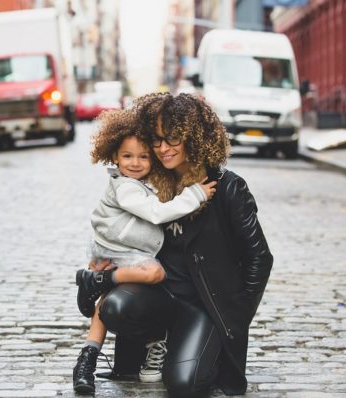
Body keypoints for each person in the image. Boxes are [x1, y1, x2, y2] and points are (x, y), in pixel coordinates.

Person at [95, 93, 274, 397]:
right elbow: (113, 222)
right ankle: (161, 340)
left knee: (184, 384)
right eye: (157, 139)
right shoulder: (150, 183)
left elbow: (260, 258)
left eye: (173, 139)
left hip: (204, 305)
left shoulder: (228, 187)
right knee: (115, 307)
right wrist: (103, 259)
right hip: (161, 296)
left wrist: (234, 318)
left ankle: (203, 347)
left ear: (194, 137)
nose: (163, 148)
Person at [72, 108, 217, 394]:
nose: (136, 163)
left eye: (143, 156)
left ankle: (86, 358)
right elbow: (155, 213)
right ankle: (101, 281)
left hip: (118, 247)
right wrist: (196, 195)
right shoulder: (125, 187)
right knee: (154, 272)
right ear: (114, 156)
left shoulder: (141, 183)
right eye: (127, 157)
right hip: (121, 249)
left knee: (105, 302)